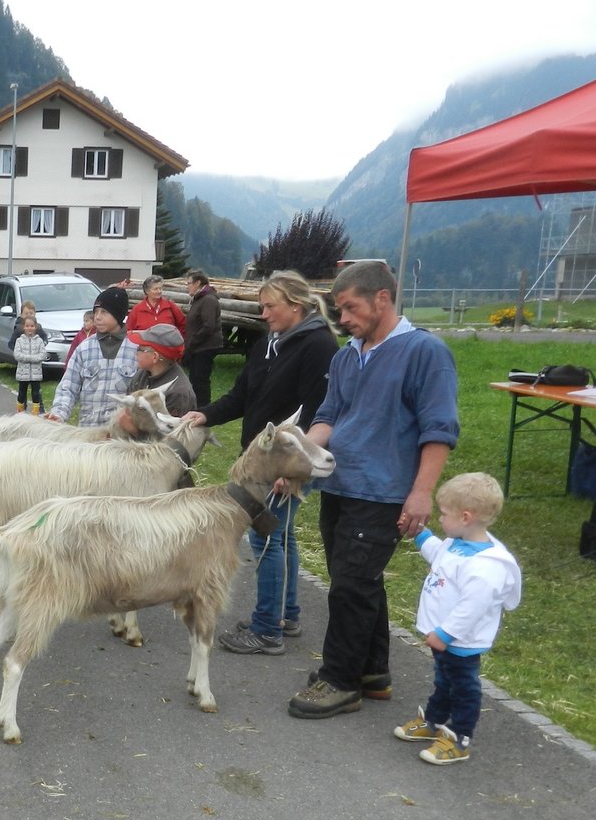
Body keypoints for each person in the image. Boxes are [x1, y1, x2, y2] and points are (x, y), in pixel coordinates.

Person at [288, 261, 460, 720]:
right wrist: (298, 459)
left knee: (349, 585)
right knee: (359, 582)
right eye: (339, 309)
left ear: (382, 298)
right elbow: (327, 417)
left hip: (382, 491)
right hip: (339, 485)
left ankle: (340, 681)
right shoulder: (347, 355)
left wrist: (422, 493)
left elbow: (438, 430)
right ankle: (372, 672)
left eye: (350, 307)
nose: (342, 318)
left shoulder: (425, 352)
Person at [184, 270, 339, 654]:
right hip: (265, 462)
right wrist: (205, 414)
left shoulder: (319, 346)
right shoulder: (269, 343)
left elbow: (316, 413)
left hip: (285, 464)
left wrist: (289, 471)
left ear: (295, 306)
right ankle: (286, 615)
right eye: (261, 307)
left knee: (265, 535)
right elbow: (241, 394)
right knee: (279, 534)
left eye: (270, 306)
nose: (263, 314)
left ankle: (267, 629)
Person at [392, 472, 521, 765]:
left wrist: (445, 633)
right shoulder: (457, 542)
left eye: (444, 514)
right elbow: (440, 555)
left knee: (463, 687)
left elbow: (472, 608)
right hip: (445, 639)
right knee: (444, 681)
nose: (440, 519)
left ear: (465, 517)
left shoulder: (487, 568)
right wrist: (420, 535)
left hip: (460, 641)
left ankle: (460, 737)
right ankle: (435, 721)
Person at [48, 286, 139, 428]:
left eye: (104, 312)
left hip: (121, 437)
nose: (97, 317)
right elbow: (68, 386)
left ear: (119, 314)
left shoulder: (135, 349)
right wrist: (59, 413)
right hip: (88, 433)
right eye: (96, 312)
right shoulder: (84, 348)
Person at [129, 323, 197, 416]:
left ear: (154, 357)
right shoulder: (142, 374)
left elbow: (171, 428)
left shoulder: (178, 392)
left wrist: (130, 425)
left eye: (140, 349)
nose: (135, 353)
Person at [183, 269, 222, 407]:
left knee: (200, 380)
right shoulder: (199, 299)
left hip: (205, 347)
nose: (187, 286)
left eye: (189, 283)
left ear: (198, 283)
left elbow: (208, 326)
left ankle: (203, 409)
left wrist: (192, 343)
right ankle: (197, 406)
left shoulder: (208, 300)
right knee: (195, 378)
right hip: (198, 347)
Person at [12, 312, 47, 414]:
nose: (29, 328)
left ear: (35, 327)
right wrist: (31, 358)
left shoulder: (39, 341)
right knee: (22, 392)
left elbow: (43, 355)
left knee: (36, 393)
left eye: (32, 326)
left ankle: (35, 412)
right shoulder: (19, 340)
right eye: (27, 326)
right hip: (23, 373)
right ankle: (20, 411)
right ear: (24, 327)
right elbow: (17, 355)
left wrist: (32, 358)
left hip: (35, 373)